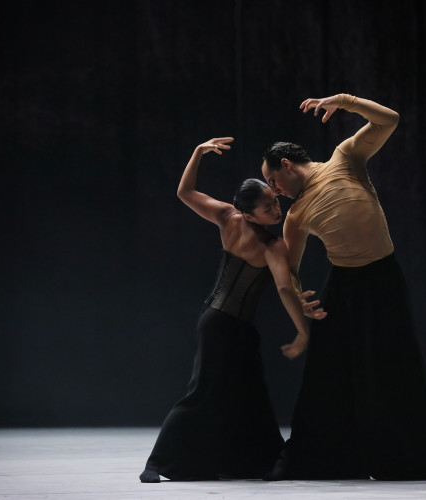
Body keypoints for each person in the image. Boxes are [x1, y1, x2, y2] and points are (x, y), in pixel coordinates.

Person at [260, 94, 426, 481]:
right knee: (328, 372)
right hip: (344, 286)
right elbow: (289, 268)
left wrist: (345, 101)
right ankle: (316, 460)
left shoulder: (344, 159)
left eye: (273, 179)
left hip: (382, 278)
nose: (276, 190)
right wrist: (302, 300)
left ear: (286, 164)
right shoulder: (297, 215)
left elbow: (390, 119)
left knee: (397, 366)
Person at [139, 137, 311, 483]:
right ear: (248, 214)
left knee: (249, 397)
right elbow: (282, 286)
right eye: (267, 208)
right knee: (203, 393)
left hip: (224, 324)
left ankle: (266, 462)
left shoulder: (227, 217)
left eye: (273, 201)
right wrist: (303, 331)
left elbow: (185, 192)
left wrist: (197, 152)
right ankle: (156, 463)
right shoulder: (271, 244)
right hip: (224, 326)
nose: (276, 209)